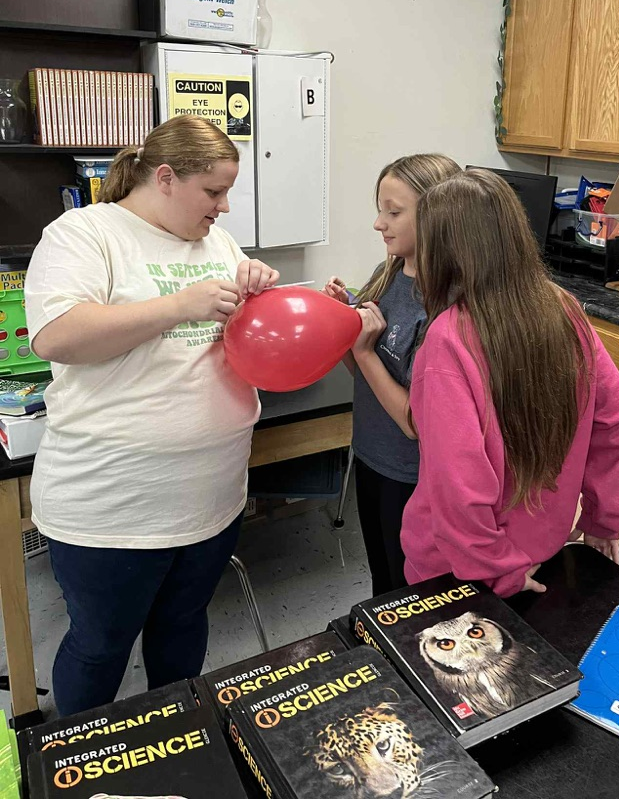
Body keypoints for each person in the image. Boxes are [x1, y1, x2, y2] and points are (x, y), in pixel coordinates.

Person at [24, 116, 279, 716]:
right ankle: (80, 755)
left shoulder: (217, 243)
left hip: (211, 495)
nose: (223, 207)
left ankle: (176, 743)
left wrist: (259, 293)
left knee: (183, 626)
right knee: (101, 646)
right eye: (213, 191)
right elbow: (57, 336)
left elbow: (237, 341)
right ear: (165, 178)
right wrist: (178, 305)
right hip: (115, 506)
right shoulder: (85, 233)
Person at [401, 168, 619, 597]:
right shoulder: (562, 307)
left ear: (441, 250)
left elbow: (459, 481)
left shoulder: (448, 339)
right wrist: (604, 519)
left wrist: (495, 568)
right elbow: (618, 420)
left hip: (460, 570)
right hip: (539, 550)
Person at [325, 154, 461, 596]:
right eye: (379, 209)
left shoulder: (445, 305)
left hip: (412, 476)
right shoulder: (386, 275)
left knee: (410, 593)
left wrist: (364, 350)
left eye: (394, 212)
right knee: (382, 582)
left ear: (437, 217)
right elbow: (363, 375)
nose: (378, 224)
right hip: (371, 456)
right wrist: (345, 330)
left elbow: (414, 422)